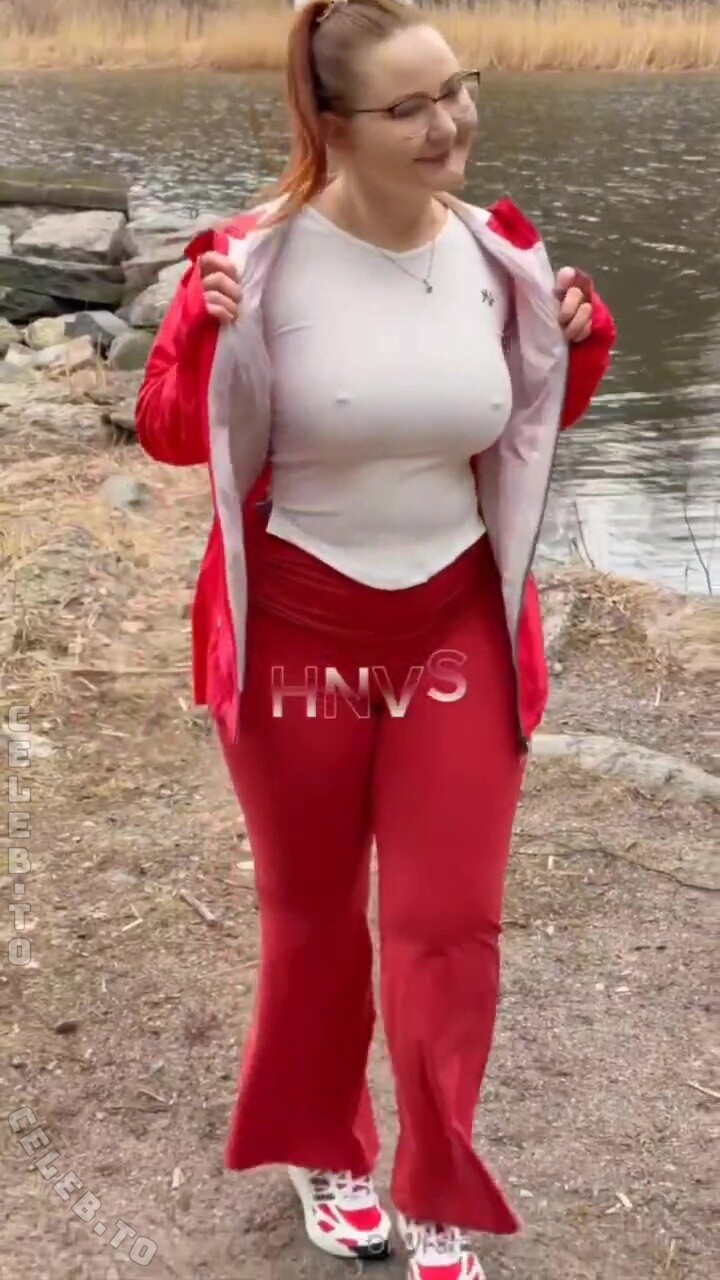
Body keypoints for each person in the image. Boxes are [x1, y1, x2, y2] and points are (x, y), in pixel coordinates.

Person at [136, 0, 616, 1275]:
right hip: (297, 630)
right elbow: (173, 432)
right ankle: (326, 1146)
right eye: (410, 106)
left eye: (457, 88)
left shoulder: (500, 256)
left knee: (447, 921)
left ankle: (436, 1178)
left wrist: (579, 340)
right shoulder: (255, 262)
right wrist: (199, 330)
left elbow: (522, 419)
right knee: (312, 916)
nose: (450, 122)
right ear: (332, 125)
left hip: (453, 625)